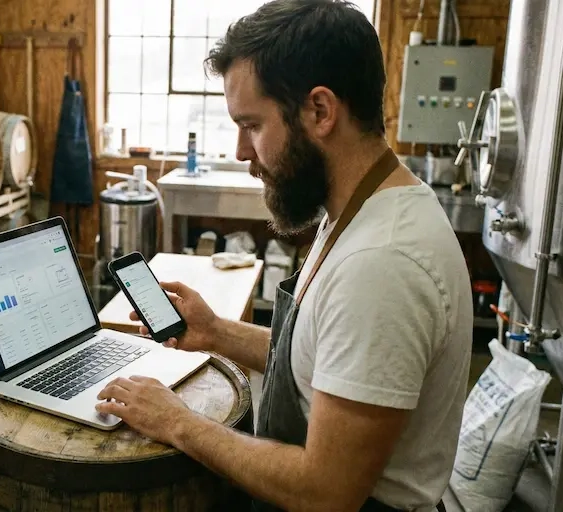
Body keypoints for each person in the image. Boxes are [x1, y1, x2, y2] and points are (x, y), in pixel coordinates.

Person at [95, 1, 472, 511]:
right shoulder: (361, 209)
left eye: (251, 124)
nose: (240, 151)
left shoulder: (383, 263)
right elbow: (329, 354)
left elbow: (325, 492)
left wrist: (177, 422)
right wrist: (217, 333)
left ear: (320, 111)